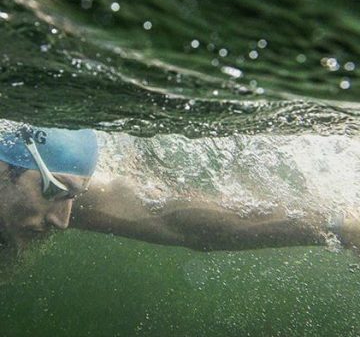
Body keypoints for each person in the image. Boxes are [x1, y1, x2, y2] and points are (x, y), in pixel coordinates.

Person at [0, 124, 358, 255]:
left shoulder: (52, 195)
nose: (64, 221)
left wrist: (337, 226)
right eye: (55, 189)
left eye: (73, 196)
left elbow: (183, 224)